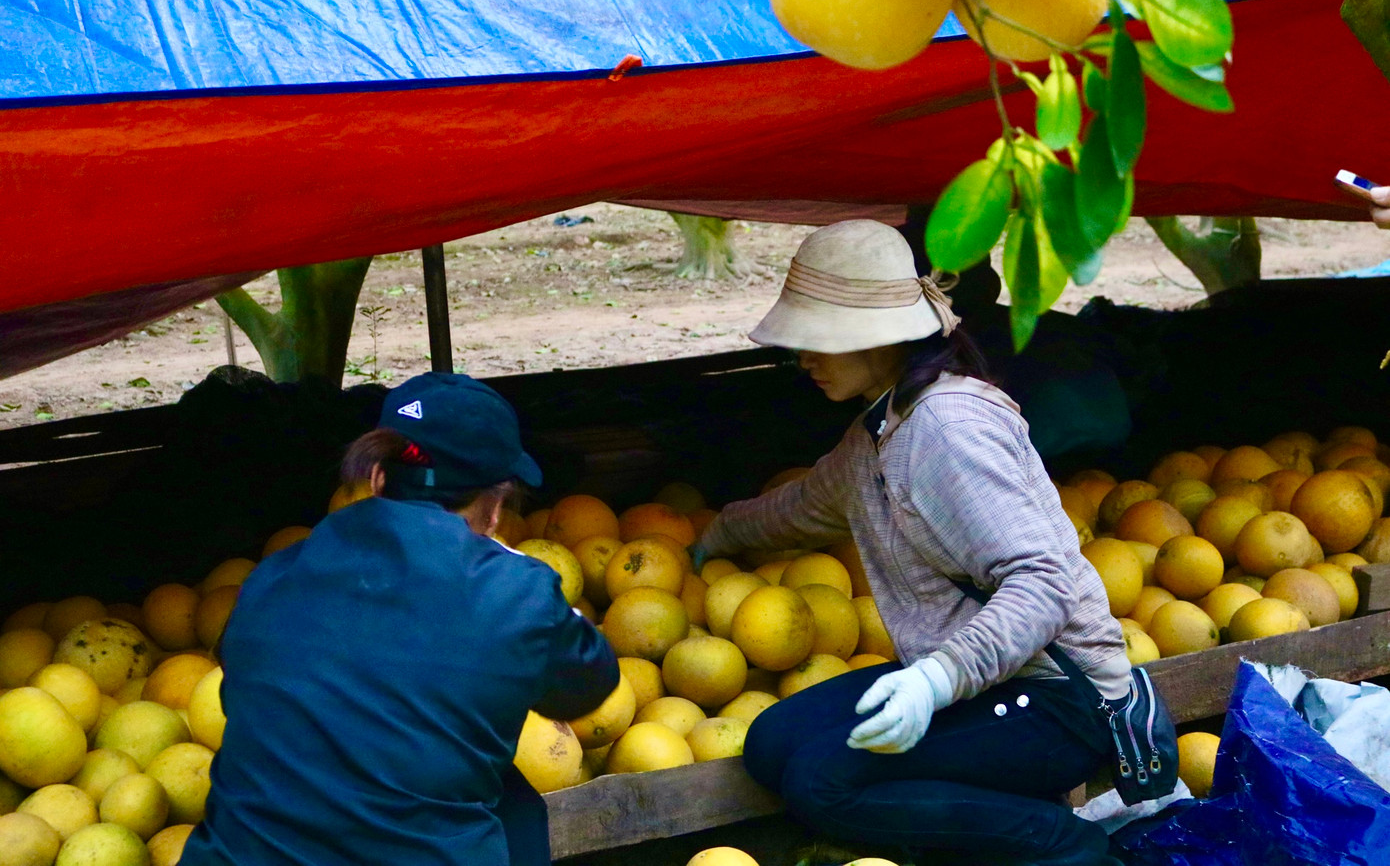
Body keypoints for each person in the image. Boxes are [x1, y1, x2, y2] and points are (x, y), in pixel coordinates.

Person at [693, 220, 1131, 866]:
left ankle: (1062, 842)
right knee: (772, 742)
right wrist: (716, 534)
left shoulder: (948, 429)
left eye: (819, 339)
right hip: (974, 676)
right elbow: (810, 504)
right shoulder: (884, 419)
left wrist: (935, 678)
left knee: (820, 781)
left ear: (882, 336)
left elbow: (1043, 584)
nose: (804, 358)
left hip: (1057, 697)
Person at [181, 372, 618, 866]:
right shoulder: (514, 594)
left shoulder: (272, 578)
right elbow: (588, 683)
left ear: (377, 479)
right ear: (495, 508)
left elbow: (245, 700)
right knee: (511, 803)